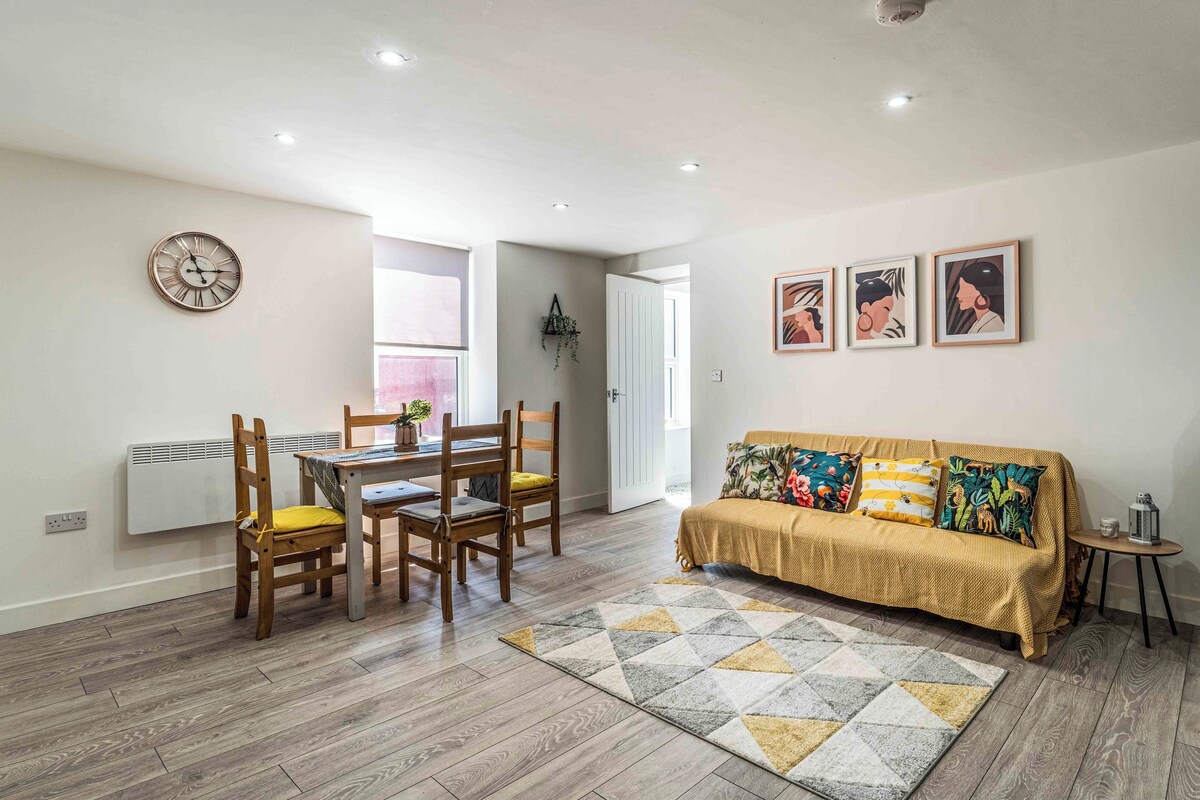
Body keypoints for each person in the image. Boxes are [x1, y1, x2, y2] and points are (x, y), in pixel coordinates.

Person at [955, 261, 1005, 334]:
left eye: (964, 289)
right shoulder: (982, 321)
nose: (957, 295)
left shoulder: (992, 325)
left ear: (981, 292)